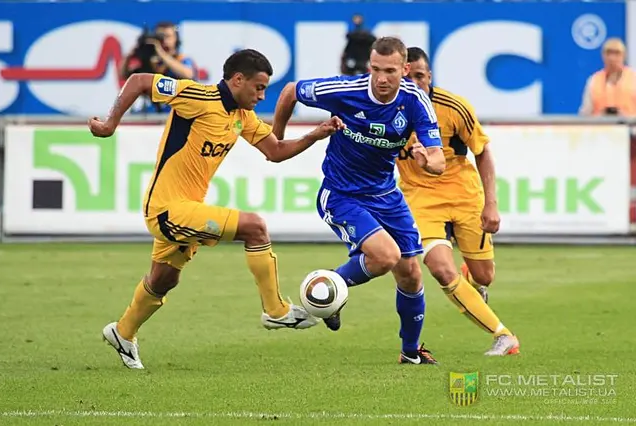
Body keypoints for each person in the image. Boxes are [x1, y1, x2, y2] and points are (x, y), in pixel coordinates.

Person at [89, 49, 345, 369]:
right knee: (255, 227)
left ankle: (123, 332)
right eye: (259, 87)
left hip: (187, 211)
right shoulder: (197, 96)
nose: (262, 96)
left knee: (164, 279)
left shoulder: (241, 117)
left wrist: (317, 134)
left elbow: (275, 151)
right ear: (237, 80)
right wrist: (111, 123)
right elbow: (140, 80)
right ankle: (275, 311)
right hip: (167, 209)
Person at [273, 37, 445, 365]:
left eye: (391, 71)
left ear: (405, 70)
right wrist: (276, 137)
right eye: (376, 69)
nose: (382, 78)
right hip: (341, 194)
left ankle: (410, 353)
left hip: (386, 194)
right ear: (370, 66)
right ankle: (325, 291)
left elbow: (438, 159)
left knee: (410, 273)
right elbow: (291, 90)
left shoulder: (415, 101)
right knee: (386, 256)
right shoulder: (344, 91)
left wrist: (427, 162)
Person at [396, 47, 519, 356]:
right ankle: (503, 335)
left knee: (484, 275)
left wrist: (491, 203)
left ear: (430, 76)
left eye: (421, 77)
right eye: (408, 78)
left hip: (464, 195)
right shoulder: (385, 110)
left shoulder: (454, 107)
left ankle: (471, 281)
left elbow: (482, 151)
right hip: (419, 198)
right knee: (439, 267)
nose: (415, 84)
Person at [120, 21, 198, 114]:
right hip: (154, 112)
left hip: (179, 111)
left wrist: (161, 52)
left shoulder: (182, 60)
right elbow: (125, 75)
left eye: (168, 36)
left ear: (176, 39)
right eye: (160, 37)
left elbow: (188, 74)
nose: (164, 40)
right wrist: (130, 55)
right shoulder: (152, 62)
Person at [579, 38, 636, 117]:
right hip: (600, 127)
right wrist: (601, 116)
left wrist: (624, 116)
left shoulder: (634, 78)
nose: (612, 58)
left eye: (617, 53)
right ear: (603, 55)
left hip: (630, 127)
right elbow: (585, 114)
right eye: (608, 53)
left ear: (624, 56)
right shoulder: (594, 80)